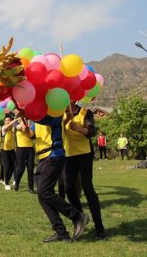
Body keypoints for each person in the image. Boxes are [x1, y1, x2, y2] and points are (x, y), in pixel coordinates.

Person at [26, 113, 86, 243]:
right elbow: (32, 134)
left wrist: (28, 114)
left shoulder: (55, 111)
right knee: (42, 196)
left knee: (44, 191)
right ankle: (61, 232)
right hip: (42, 158)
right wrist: (26, 128)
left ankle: (77, 216)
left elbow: (49, 121)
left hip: (54, 155)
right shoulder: (36, 117)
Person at [63, 102, 107, 239]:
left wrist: (79, 129)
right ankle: (80, 217)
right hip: (68, 155)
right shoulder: (60, 114)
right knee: (69, 189)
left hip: (84, 154)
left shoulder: (85, 112)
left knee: (88, 188)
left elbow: (92, 131)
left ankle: (99, 227)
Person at [13, 117, 35, 194]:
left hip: (30, 148)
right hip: (20, 149)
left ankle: (31, 188)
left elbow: (32, 135)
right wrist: (23, 121)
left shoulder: (30, 124)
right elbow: (22, 128)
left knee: (30, 168)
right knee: (20, 168)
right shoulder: (16, 124)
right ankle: (16, 183)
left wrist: (28, 122)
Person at [1, 115, 18, 191]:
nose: (7, 121)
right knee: (6, 167)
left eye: (9, 120)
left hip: (12, 150)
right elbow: (7, 127)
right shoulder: (3, 128)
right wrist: (15, 119)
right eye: (6, 120)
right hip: (4, 150)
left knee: (13, 167)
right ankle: (7, 184)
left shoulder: (13, 129)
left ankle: (6, 180)